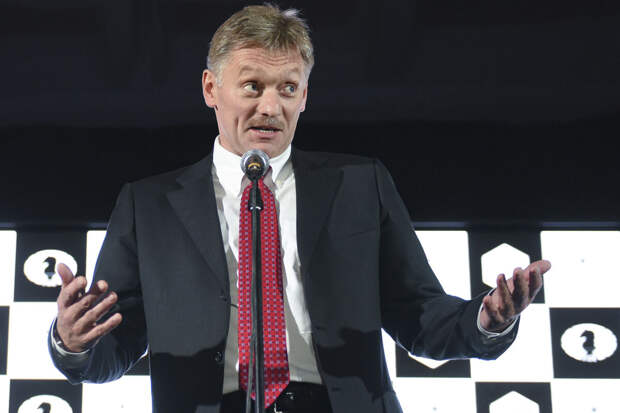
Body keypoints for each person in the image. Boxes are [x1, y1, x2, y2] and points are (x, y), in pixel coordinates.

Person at [48, 4, 551, 413]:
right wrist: (72, 341)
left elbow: (419, 316)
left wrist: (487, 320)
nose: (271, 107)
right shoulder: (149, 205)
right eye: (253, 86)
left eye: (287, 88)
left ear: (305, 95)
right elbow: (112, 347)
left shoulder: (359, 185)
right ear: (211, 89)